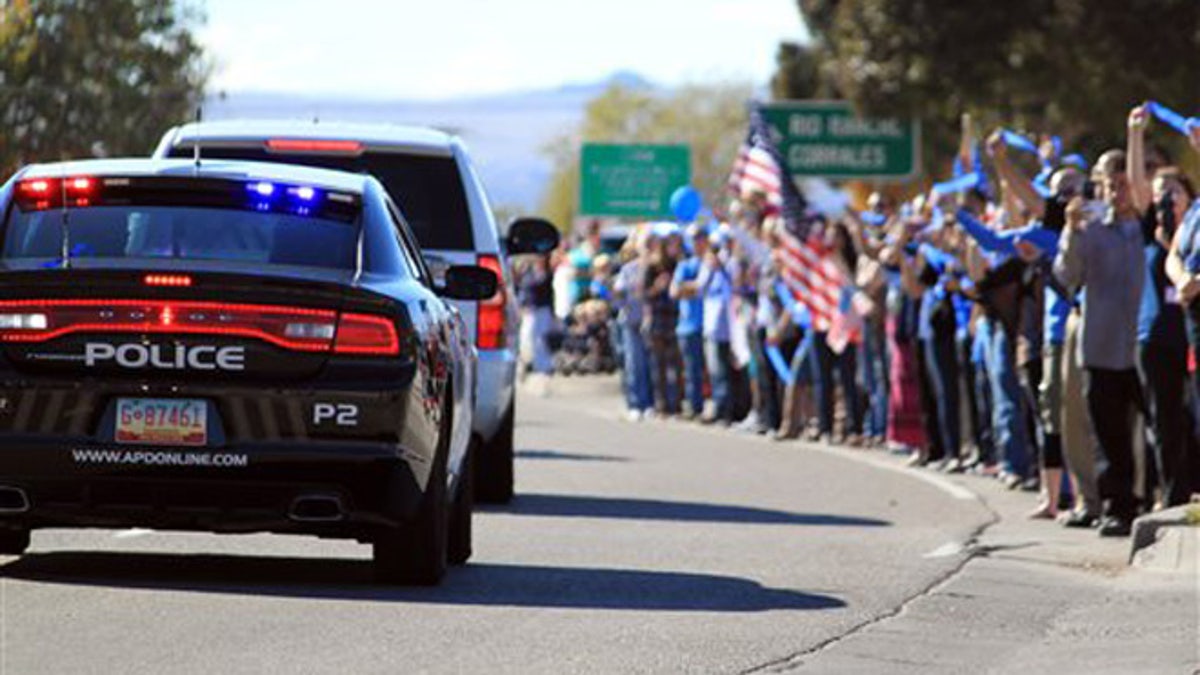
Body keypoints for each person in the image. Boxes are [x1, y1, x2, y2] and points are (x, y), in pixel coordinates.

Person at [1054, 149, 1147, 537]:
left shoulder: (1148, 226)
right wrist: (1070, 233)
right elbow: (1067, 274)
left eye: (1125, 185)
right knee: (1108, 436)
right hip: (1101, 346)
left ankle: (1157, 498)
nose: (1118, 193)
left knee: (1156, 430)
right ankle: (1115, 507)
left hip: (1145, 346)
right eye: (1111, 186)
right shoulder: (1090, 227)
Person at [670, 224, 708, 419]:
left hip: (709, 325)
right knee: (691, 370)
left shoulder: (710, 263)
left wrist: (690, 287)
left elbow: (705, 287)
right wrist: (695, 288)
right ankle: (695, 407)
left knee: (711, 369)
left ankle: (718, 407)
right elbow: (674, 291)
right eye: (694, 239)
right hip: (688, 325)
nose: (697, 243)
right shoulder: (686, 265)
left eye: (701, 238)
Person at [516, 253, 555, 377]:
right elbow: (524, 289)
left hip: (542, 309)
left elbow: (548, 294)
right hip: (529, 310)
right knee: (528, 337)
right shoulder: (529, 272)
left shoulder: (546, 274)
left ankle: (544, 364)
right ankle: (531, 362)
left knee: (540, 338)